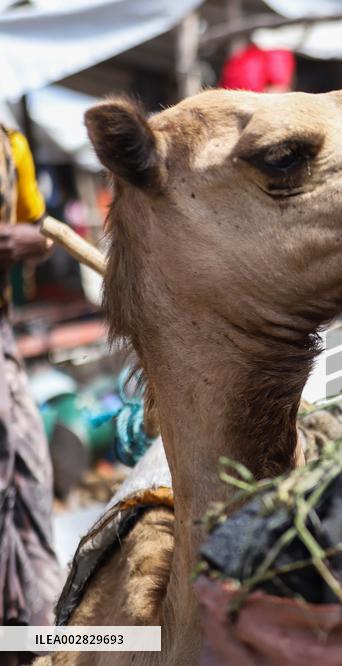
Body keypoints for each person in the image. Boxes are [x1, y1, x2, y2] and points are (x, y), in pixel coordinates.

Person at [0, 126, 60, 664]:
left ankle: (40, 640)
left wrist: (32, 242)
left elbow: (39, 229)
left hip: (2, 343)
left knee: (30, 486)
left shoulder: (8, 142)